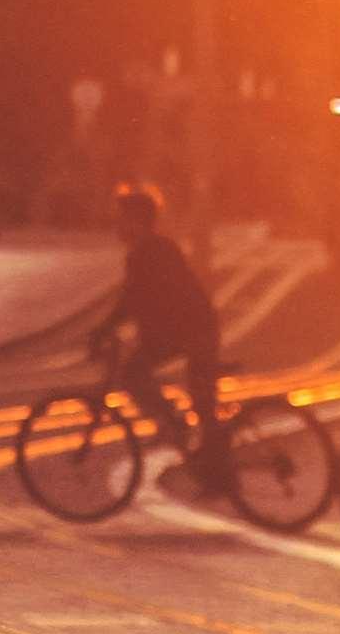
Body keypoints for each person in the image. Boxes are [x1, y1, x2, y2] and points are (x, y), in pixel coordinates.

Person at [91, 180, 233, 488]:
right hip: (186, 331)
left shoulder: (148, 252)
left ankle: (213, 467)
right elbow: (134, 302)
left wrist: (105, 330)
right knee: (190, 397)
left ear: (136, 222)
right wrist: (110, 328)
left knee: (191, 398)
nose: (116, 225)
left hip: (193, 331)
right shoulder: (151, 249)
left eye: (121, 219)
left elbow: (134, 301)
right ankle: (199, 455)